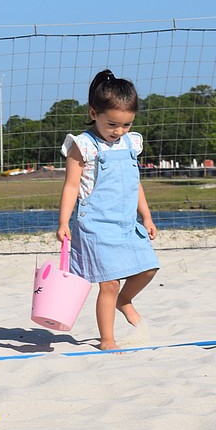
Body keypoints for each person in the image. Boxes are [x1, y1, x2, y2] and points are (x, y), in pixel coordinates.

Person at [57, 69, 159, 351]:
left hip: (126, 222)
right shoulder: (83, 145)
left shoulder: (130, 142)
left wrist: (146, 216)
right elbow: (70, 187)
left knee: (148, 268)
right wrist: (64, 222)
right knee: (109, 283)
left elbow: (134, 182)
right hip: (96, 225)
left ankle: (124, 302)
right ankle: (107, 340)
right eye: (112, 124)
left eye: (125, 125)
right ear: (93, 112)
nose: (118, 131)